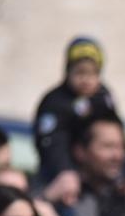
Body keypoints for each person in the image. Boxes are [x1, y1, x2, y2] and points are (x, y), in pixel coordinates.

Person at [34, 36, 119, 190]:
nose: (86, 80)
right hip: (59, 177)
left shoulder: (103, 97)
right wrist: (64, 170)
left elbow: (116, 129)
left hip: (96, 176)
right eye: (80, 73)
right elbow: (52, 142)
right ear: (67, 72)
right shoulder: (55, 102)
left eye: (92, 74)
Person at [69, 112, 125, 216]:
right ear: (80, 151)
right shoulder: (61, 196)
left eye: (121, 146)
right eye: (108, 146)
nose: (118, 155)